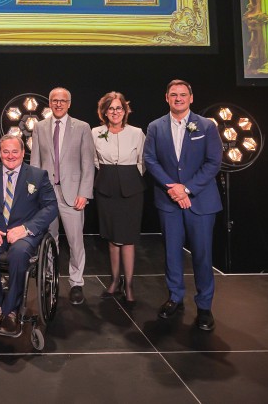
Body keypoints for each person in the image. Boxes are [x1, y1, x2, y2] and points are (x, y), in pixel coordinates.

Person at [143, 79, 222, 332]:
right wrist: (172, 188)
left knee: (202, 254)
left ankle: (204, 306)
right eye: (173, 95)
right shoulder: (155, 127)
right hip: (169, 201)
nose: (178, 98)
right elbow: (150, 160)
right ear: (166, 98)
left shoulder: (206, 126)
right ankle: (175, 297)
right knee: (172, 253)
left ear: (191, 97)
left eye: (183, 94)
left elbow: (213, 162)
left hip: (200, 201)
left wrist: (186, 189)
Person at [0, 134, 58, 333]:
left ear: (23, 152)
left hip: (25, 233)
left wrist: (26, 229)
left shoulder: (37, 175)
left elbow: (51, 206)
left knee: (18, 253)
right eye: (6, 151)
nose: (10, 156)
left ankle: (12, 310)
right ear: (0, 153)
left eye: (15, 151)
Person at [29, 87, 95, 305]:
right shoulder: (39, 127)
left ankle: (76, 283)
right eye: (54, 100)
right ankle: (50, 276)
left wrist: (84, 193)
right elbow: (35, 162)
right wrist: (34, 192)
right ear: (49, 102)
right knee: (49, 238)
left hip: (73, 193)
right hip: (47, 193)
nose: (58, 104)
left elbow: (88, 163)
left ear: (69, 103)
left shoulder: (82, 127)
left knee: (76, 241)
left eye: (62, 100)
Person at [91, 92, 146, 303]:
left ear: (125, 111)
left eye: (119, 108)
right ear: (104, 111)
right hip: (106, 187)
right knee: (113, 238)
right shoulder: (95, 132)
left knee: (128, 238)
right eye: (111, 108)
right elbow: (93, 160)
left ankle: (129, 284)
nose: (115, 112)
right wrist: (109, 176)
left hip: (131, 188)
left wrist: (128, 177)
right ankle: (114, 280)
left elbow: (143, 161)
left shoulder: (136, 132)